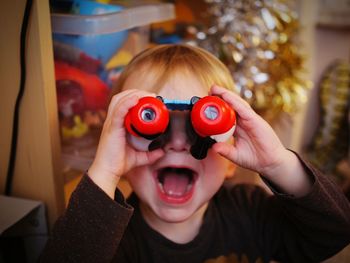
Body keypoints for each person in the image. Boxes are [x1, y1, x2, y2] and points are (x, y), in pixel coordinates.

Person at [41, 44, 350, 263]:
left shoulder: (249, 212)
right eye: (151, 120)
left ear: (229, 160)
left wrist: (277, 163)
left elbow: (333, 233)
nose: (177, 144)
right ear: (121, 145)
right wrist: (105, 171)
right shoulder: (110, 239)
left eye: (199, 126)